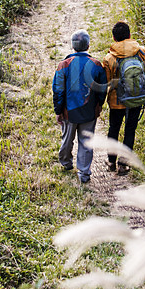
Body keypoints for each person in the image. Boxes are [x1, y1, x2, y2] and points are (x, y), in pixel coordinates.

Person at [103, 21, 145, 175]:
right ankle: (123, 164)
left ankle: (111, 161)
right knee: (130, 129)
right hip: (136, 98)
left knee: (114, 129)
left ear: (114, 38)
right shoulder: (141, 52)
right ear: (129, 35)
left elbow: (107, 81)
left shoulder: (109, 57)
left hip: (117, 100)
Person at [52, 29, 107, 184]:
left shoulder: (63, 65)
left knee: (67, 139)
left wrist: (58, 110)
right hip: (89, 111)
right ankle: (84, 172)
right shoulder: (96, 64)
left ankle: (66, 162)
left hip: (68, 111)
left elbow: (58, 90)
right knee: (86, 141)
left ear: (72, 46)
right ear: (88, 45)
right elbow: (102, 88)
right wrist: (99, 105)